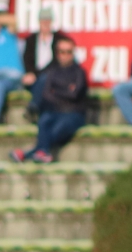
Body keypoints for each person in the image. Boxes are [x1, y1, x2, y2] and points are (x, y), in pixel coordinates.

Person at [13, 36, 88, 164]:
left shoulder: (79, 72)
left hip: (73, 113)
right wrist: (66, 91)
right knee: (44, 120)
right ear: (57, 53)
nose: (65, 55)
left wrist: (56, 92)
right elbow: (47, 94)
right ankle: (41, 153)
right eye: (62, 52)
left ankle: (30, 153)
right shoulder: (52, 72)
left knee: (57, 129)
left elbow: (74, 95)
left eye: (69, 52)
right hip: (55, 111)